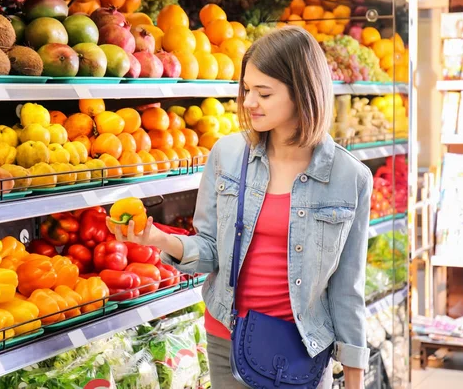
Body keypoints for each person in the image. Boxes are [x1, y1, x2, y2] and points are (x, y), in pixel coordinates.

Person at [113, 26, 373, 389]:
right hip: (228, 338)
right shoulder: (228, 155)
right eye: (247, 90)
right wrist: (158, 238)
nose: (249, 102)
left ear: (303, 93)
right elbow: (210, 253)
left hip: (303, 350)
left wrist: (355, 379)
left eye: (263, 93)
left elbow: (348, 289)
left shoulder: (350, 178)